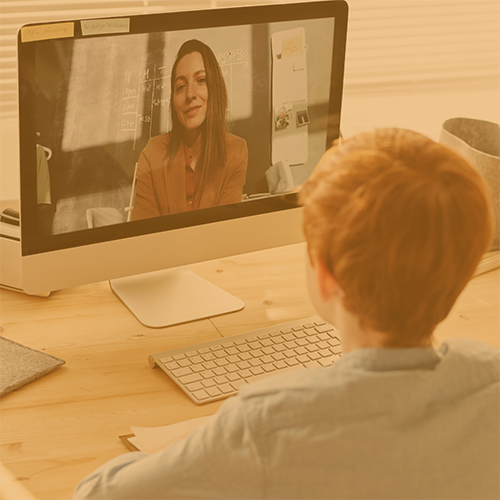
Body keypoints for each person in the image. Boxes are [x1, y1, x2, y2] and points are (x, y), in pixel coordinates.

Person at [74, 128, 500, 500]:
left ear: (328, 277)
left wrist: (204, 443)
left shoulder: (267, 427)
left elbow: (97, 494)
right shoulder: (489, 379)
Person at [132, 39, 248, 219]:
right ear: (173, 101)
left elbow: (225, 231)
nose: (190, 94)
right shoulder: (151, 154)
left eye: (201, 80)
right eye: (180, 87)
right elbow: (144, 235)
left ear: (215, 88)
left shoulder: (236, 151)